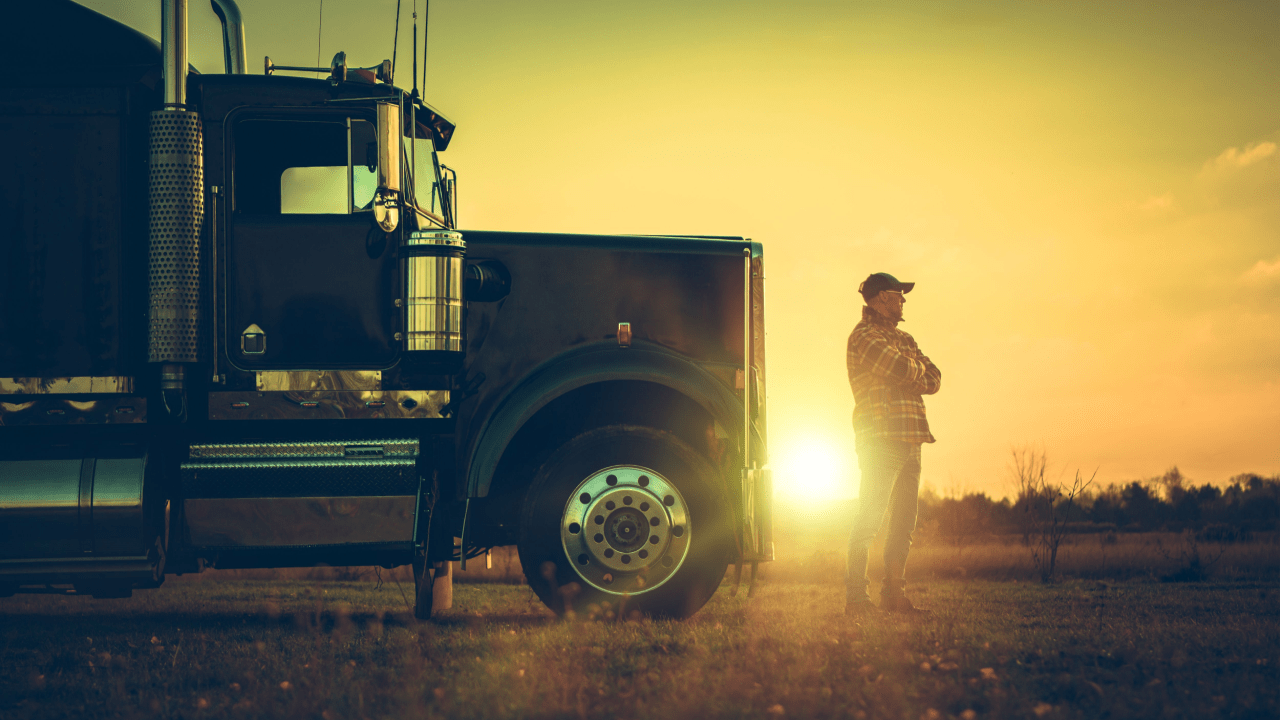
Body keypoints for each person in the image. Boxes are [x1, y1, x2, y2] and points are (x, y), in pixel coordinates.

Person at [845, 272, 942, 616]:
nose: (903, 302)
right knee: (869, 519)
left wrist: (911, 372)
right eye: (899, 296)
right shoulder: (864, 337)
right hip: (881, 440)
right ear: (883, 298)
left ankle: (894, 596)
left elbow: (935, 377)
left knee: (904, 523)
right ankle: (857, 598)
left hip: (912, 439)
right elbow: (898, 366)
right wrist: (913, 372)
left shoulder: (905, 337)